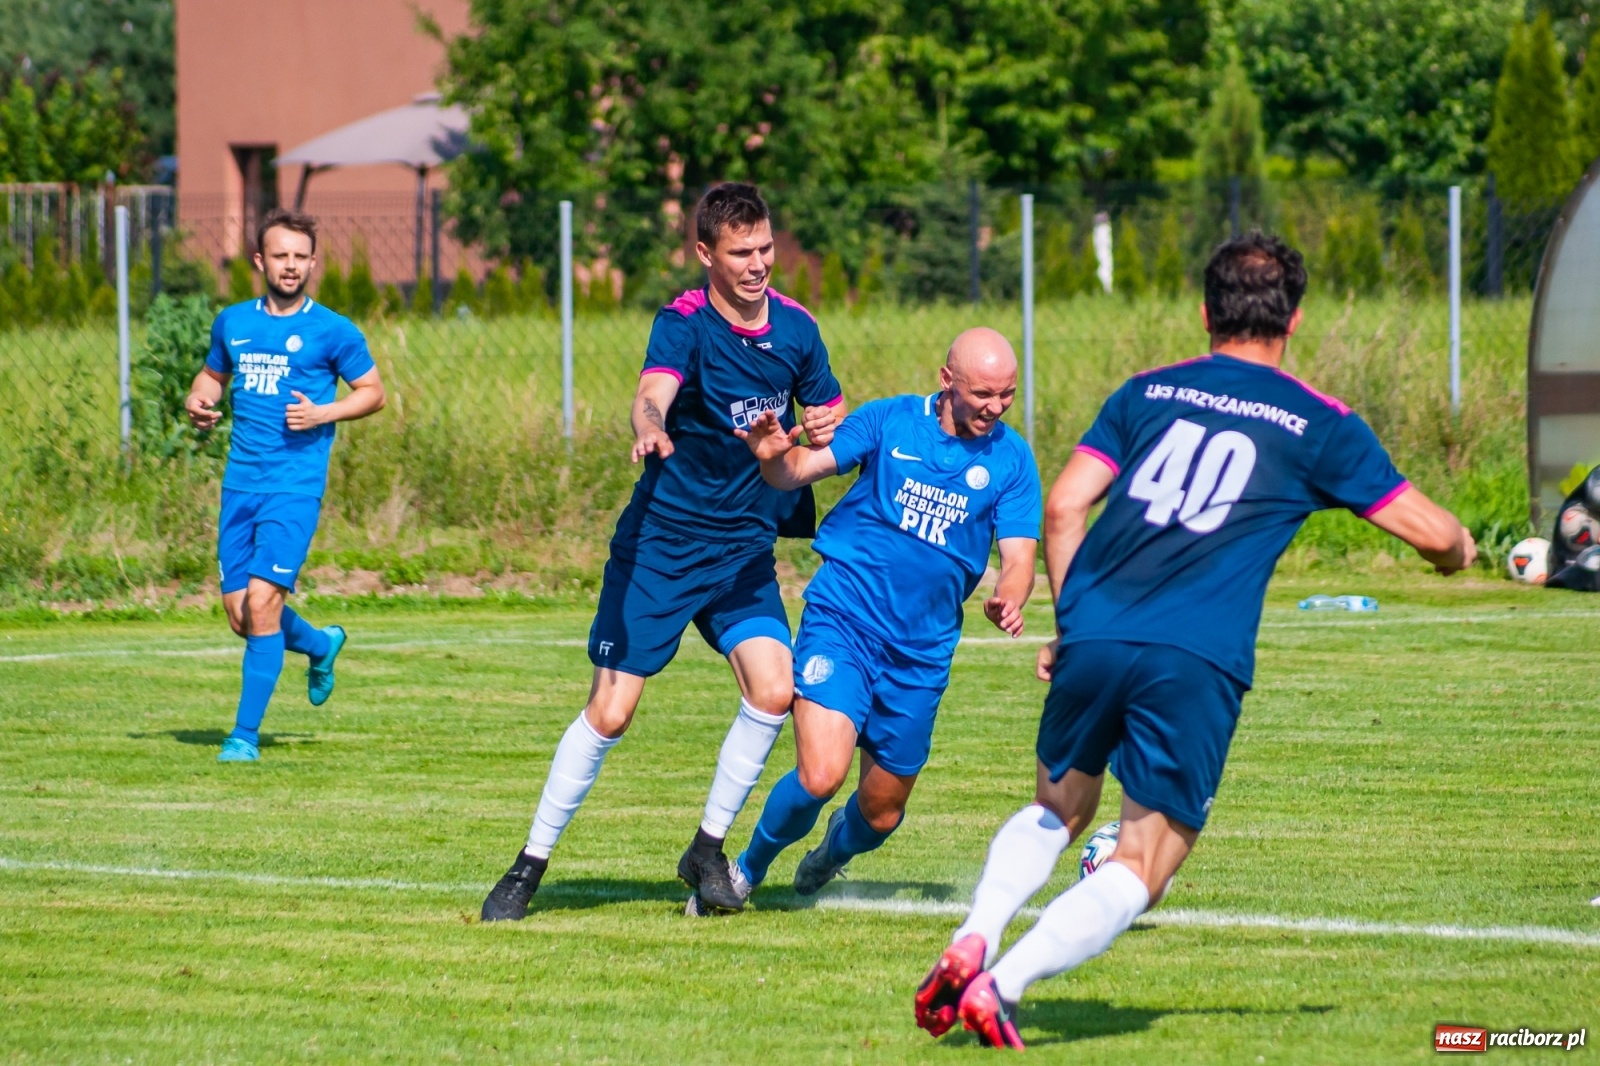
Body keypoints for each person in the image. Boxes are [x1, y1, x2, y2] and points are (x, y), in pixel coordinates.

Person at [914, 234, 1477, 1050]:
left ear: (1206, 312)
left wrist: (1074, 626)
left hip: (1098, 627)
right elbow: (1432, 534)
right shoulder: (1321, 424)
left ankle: (978, 931)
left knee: (1059, 807)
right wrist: (1461, 551)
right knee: (1142, 863)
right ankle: (1002, 984)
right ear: (1296, 319)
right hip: (1194, 655)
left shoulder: (1145, 391)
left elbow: (1066, 506)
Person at [480, 183, 846, 920]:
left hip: (742, 551)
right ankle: (528, 865)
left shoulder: (800, 331)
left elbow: (824, 414)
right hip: (663, 547)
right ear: (705, 253)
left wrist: (819, 431)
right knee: (612, 712)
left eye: (766, 248)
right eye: (740, 253)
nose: (758, 265)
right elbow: (653, 391)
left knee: (774, 690)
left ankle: (707, 851)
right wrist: (649, 424)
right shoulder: (683, 323)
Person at [698, 328, 1041, 916]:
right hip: (844, 622)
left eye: (1007, 394)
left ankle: (834, 849)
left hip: (922, 655)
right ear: (946, 381)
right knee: (821, 773)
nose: (996, 407)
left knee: (881, 813)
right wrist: (772, 455)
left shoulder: (1011, 459)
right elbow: (795, 473)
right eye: (983, 393)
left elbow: (1019, 558)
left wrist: (1008, 596)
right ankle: (741, 872)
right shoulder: (889, 421)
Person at [184, 208, 386, 763]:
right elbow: (212, 375)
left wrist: (325, 414)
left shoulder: (334, 331)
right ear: (260, 261)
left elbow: (373, 392)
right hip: (239, 485)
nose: (291, 265)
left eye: (301, 256)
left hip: (295, 485)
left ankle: (243, 738)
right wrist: (200, 399)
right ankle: (322, 645)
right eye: (281, 255)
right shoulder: (233, 322)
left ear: (313, 262)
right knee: (241, 616)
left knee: (263, 602)